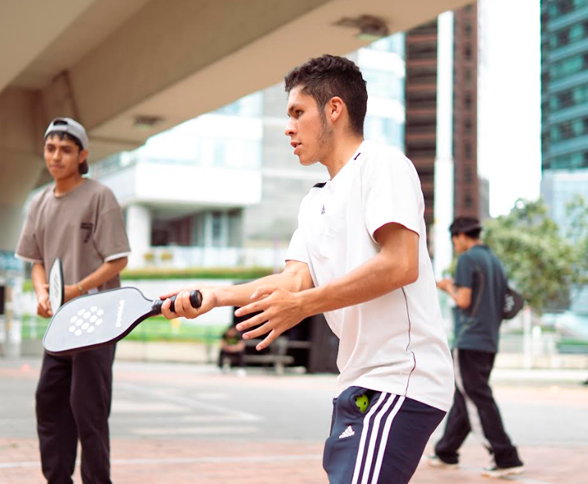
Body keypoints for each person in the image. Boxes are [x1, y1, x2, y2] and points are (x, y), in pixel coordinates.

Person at [162, 55, 454, 484]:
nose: (288, 127)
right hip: (357, 380)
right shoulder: (315, 200)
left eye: (298, 113)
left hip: (401, 377)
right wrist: (217, 296)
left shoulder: (382, 164)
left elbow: (400, 263)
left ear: (334, 109)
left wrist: (303, 305)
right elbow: (295, 279)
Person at [15, 117, 130, 484]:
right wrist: (42, 293)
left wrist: (75, 290)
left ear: (82, 155)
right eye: (50, 148)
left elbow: (118, 260)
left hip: (98, 321)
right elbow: (36, 261)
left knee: (88, 411)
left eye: (65, 150)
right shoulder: (39, 202)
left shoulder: (99, 197)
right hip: (61, 325)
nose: (56, 156)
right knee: (49, 403)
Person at [428, 217, 525, 478]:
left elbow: (463, 300)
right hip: (489, 341)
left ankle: (505, 457)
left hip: (470, 340)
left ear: (460, 235)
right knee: (466, 397)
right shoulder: (495, 261)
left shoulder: (468, 259)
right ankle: (446, 452)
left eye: (454, 240)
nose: (455, 245)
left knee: (476, 398)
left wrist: (448, 286)